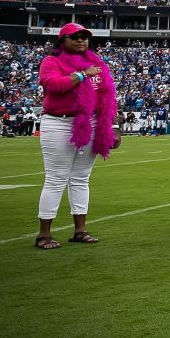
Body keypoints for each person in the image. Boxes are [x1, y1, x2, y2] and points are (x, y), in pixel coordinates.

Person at [34, 23, 119, 249]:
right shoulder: (52, 61)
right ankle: (44, 234)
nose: (81, 40)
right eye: (75, 37)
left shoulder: (97, 64)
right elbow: (53, 85)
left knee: (81, 178)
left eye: (84, 37)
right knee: (55, 179)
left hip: (90, 122)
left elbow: (106, 97)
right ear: (63, 41)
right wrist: (81, 75)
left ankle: (80, 230)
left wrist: (111, 125)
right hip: (60, 121)